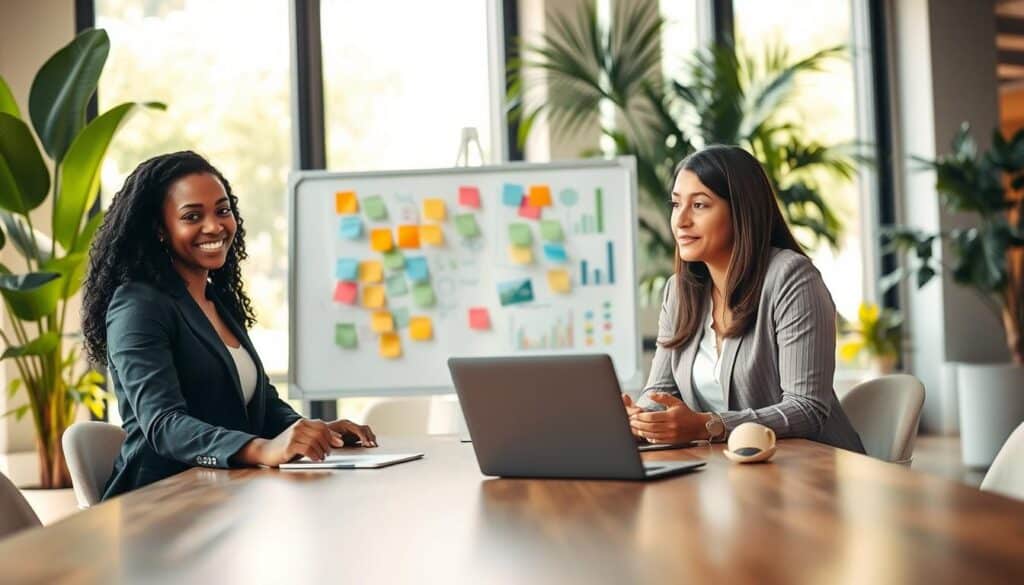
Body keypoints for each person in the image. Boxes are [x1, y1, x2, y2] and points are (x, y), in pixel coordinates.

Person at [82, 150, 378, 500]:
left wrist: (314, 433)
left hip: (226, 492)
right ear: (160, 229)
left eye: (222, 211)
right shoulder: (138, 306)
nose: (214, 226)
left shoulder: (217, 301)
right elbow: (163, 425)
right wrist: (262, 450)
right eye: (192, 216)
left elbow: (261, 403)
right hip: (160, 503)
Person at [624, 145, 865, 453]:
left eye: (699, 205)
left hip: (812, 470)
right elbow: (660, 391)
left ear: (741, 211)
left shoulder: (791, 278)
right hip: (730, 472)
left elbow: (807, 409)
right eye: (675, 204)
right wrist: (640, 419)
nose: (680, 221)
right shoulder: (681, 290)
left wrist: (708, 425)